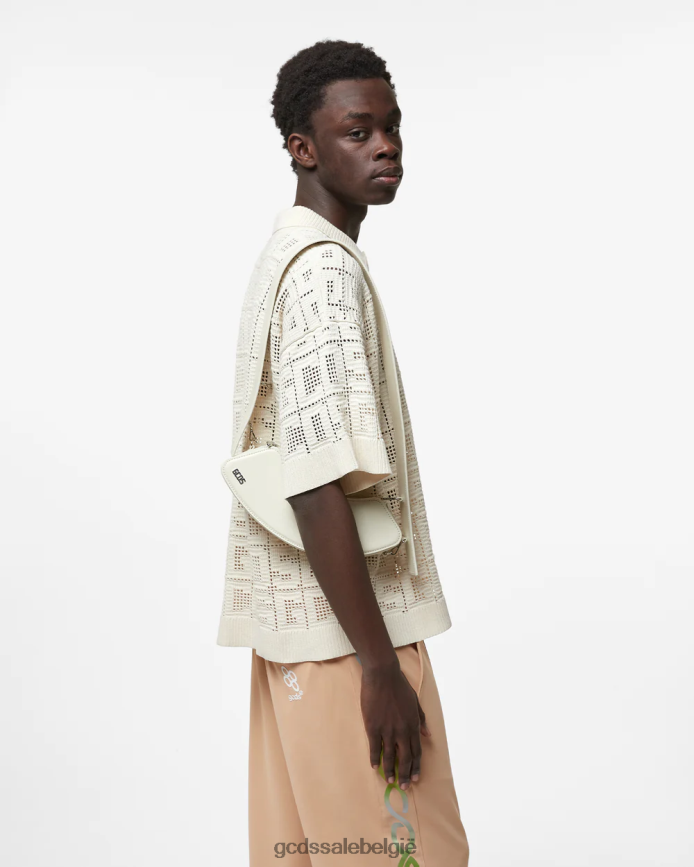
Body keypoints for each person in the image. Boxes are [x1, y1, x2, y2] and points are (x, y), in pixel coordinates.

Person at [217, 39, 470, 866]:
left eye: (392, 128)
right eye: (358, 132)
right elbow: (315, 482)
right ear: (303, 148)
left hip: (295, 651)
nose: (386, 146)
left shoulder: (284, 257)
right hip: (348, 647)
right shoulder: (325, 272)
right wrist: (379, 670)